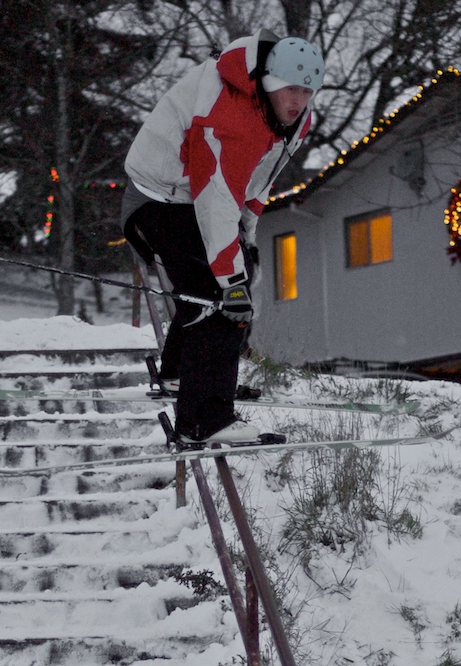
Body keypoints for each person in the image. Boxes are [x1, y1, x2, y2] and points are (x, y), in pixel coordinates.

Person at [122, 29, 324, 444]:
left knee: (233, 276)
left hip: (193, 196)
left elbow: (258, 177)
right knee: (220, 296)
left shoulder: (294, 120)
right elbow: (215, 197)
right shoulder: (230, 115)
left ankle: (183, 377)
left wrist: (246, 235)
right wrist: (231, 282)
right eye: (290, 89)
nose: (298, 100)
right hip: (158, 195)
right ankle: (204, 420)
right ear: (268, 81)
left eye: (307, 91)